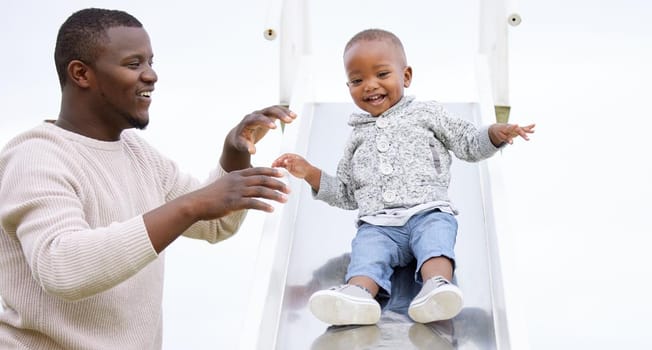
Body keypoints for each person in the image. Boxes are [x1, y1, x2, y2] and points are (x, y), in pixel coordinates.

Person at [0, 8, 296, 349]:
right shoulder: (35, 157)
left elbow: (216, 223)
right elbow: (63, 267)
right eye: (133, 64)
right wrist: (194, 204)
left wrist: (235, 154)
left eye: (151, 62)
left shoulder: (138, 154)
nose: (151, 75)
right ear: (81, 74)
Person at [271, 28, 534, 326]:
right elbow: (346, 194)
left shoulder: (427, 114)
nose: (370, 86)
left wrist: (493, 135)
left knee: (436, 241)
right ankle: (358, 294)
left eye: (382, 74)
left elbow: (468, 144)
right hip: (379, 225)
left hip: (428, 211)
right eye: (357, 81)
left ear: (406, 76)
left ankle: (436, 287)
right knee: (366, 252)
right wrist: (311, 173)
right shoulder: (357, 137)